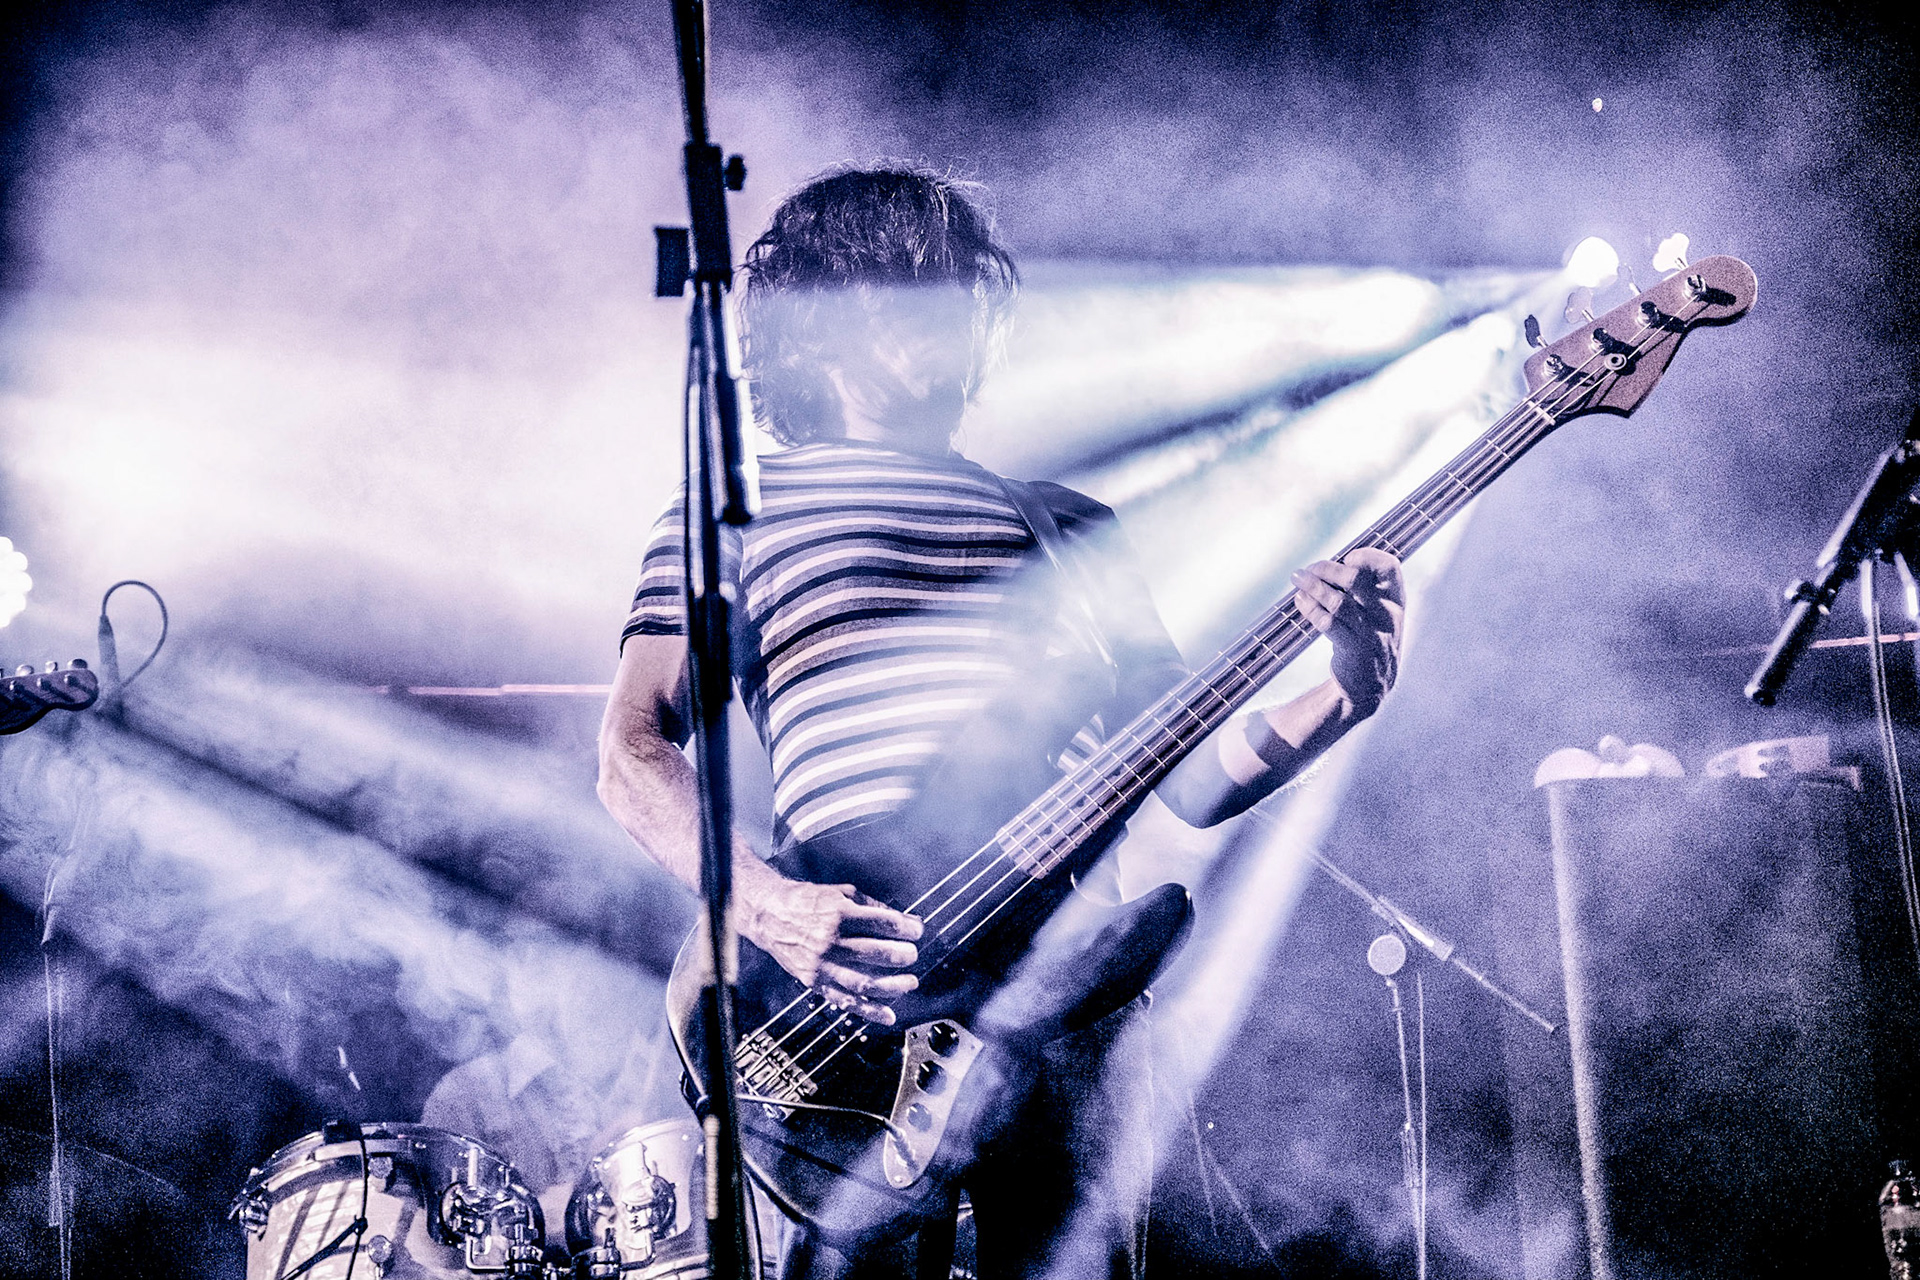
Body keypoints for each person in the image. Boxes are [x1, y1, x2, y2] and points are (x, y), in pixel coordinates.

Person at [597, 165, 1405, 1280]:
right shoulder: (734, 513)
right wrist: (770, 906)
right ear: (818, 316)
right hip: (843, 998)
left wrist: (1347, 689)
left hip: (1060, 993)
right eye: (904, 279)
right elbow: (633, 749)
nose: (947, 306)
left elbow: (1194, 774)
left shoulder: (1074, 526)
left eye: (957, 283)